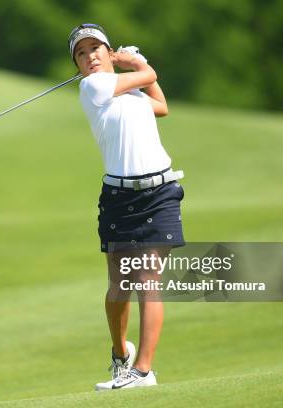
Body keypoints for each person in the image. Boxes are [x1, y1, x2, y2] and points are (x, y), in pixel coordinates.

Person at [68, 24, 186, 390]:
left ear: (106, 50)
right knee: (119, 286)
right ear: (77, 65)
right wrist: (135, 62)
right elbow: (149, 74)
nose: (90, 57)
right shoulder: (92, 87)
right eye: (82, 53)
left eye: (96, 48)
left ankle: (143, 371)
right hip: (120, 198)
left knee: (149, 282)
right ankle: (121, 356)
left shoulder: (129, 92)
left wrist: (135, 69)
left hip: (160, 190)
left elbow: (161, 106)